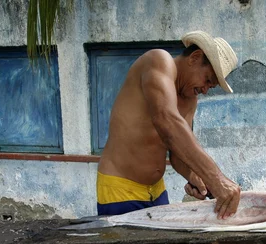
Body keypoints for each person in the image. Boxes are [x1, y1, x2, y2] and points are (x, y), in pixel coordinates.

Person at [97, 30, 241, 219]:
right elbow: (167, 121)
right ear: (195, 58)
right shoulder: (158, 60)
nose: (205, 90)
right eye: (207, 80)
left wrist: (197, 178)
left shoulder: (190, 98)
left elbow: (178, 152)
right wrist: (216, 180)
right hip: (120, 191)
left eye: (210, 87)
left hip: (156, 192)